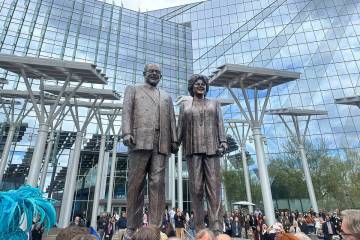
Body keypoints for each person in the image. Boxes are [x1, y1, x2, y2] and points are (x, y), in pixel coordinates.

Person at [122, 63, 178, 239]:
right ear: (144, 73)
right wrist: (126, 132)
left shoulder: (166, 97)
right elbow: (126, 112)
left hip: (160, 143)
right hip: (139, 140)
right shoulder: (133, 89)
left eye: (158, 72)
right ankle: (132, 225)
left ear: (161, 76)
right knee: (135, 184)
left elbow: (172, 120)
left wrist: (174, 140)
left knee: (158, 185)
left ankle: (155, 226)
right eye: (151, 71)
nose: (154, 74)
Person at [177, 74, 228, 234]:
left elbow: (220, 123)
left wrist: (223, 142)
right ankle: (199, 227)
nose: (200, 86)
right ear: (192, 87)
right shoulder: (185, 105)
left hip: (212, 150)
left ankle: (216, 227)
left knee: (214, 189)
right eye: (197, 84)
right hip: (193, 151)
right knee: (197, 189)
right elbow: (180, 128)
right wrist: (174, 144)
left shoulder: (214, 103)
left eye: (203, 84)